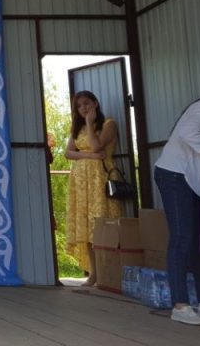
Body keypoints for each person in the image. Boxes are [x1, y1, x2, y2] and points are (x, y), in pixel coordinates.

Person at [153, 90, 200, 325]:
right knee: (182, 237)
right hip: (174, 174)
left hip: (197, 180)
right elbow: (187, 132)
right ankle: (180, 305)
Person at [63, 90, 123, 287]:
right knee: (87, 226)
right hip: (81, 182)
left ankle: (109, 272)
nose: (83, 108)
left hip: (99, 178)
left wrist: (90, 123)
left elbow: (97, 146)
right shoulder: (77, 129)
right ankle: (93, 273)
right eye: (79, 106)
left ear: (95, 103)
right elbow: (68, 153)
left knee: (101, 223)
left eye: (87, 103)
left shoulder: (108, 124)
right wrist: (88, 156)